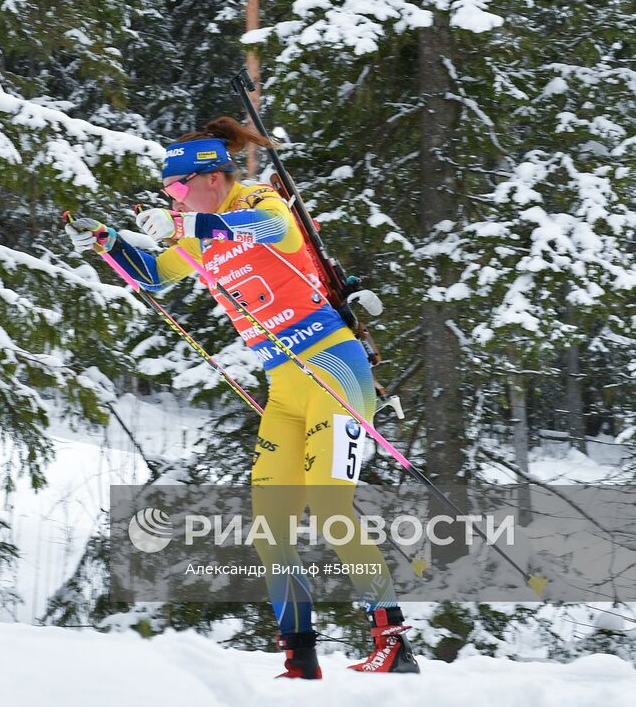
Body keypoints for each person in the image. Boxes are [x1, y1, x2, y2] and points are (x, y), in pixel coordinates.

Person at [65, 116, 419, 677]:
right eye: (168, 192)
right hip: (285, 387)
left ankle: (393, 641)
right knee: (270, 526)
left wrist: (194, 222)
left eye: (176, 188)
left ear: (210, 178)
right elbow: (155, 274)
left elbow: (273, 232)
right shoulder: (194, 229)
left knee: (330, 506)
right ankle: (301, 658)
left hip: (334, 368)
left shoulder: (257, 200)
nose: (170, 197)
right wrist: (108, 244)